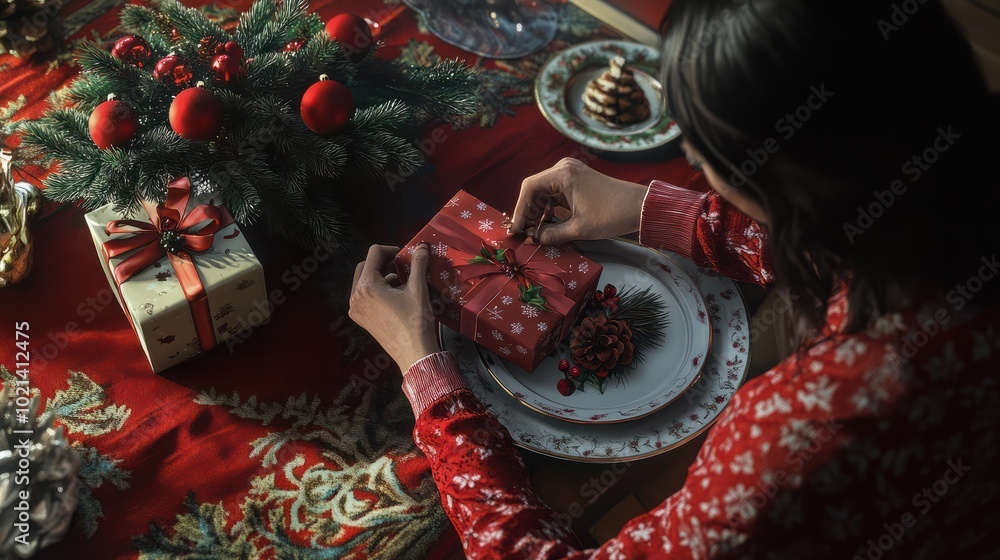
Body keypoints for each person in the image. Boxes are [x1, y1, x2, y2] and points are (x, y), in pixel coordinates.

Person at [349, 0, 1000, 557]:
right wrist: (648, 210)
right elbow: (857, 234)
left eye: (701, 147)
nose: (689, 156)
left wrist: (426, 372)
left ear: (795, 182)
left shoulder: (806, 430)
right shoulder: (944, 183)